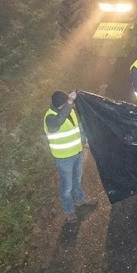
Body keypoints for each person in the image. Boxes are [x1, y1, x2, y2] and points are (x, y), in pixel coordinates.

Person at [44, 90, 96, 223]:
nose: (69, 106)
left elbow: (77, 128)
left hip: (77, 153)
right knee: (66, 187)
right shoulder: (50, 118)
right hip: (63, 159)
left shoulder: (70, 110)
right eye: (65, 104)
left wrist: (85, 141)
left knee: (77, 180)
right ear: (57, 106)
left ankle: (80, 199)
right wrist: (68, 103)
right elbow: (58, 122)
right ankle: (69, 211)